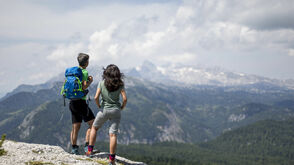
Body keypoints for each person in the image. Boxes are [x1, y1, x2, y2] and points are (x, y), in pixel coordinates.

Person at [86, 64, 127, 165]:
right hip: (116, 111)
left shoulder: (101, 83)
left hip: (104, 110)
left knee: (94, 128)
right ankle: (111, 160)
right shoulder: (120, 84)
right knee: (113, 135)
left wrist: (99, 105)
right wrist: (122, 107)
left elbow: (96, 97)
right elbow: (125, 99)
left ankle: (90, 151)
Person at [69, 53, 95, 155]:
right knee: (93, 124)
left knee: (75, 127)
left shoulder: (73, 72)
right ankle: (87, 146)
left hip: (72, 102)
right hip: (81, 102)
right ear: (86, 63)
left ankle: (74, 149)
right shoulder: (84, 72)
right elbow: (84, 87)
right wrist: (90, 81)